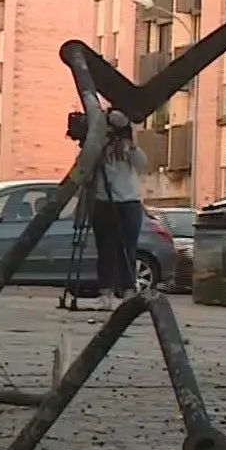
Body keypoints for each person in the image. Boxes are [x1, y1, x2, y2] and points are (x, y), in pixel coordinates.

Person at [88, 108, 149, 309]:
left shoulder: (129, 151)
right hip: (103, 201)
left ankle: (128, 291)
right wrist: (100, 148)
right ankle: (106, 291)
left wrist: (129, 147)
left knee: (127, 249)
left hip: (129, 203)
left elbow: (142, 165)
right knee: (106, 249)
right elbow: (87, 170)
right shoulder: (99, 150)